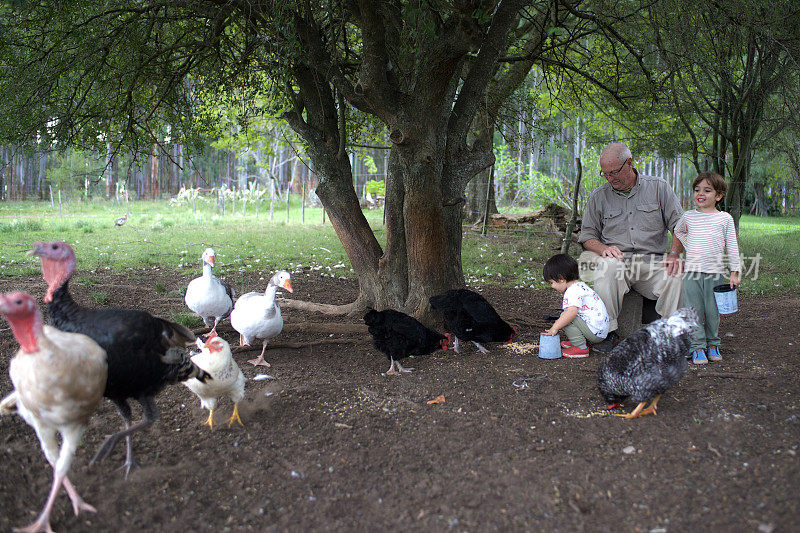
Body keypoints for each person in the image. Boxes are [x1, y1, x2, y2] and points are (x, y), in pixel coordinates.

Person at [578, 142, 685, 352]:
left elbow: (680, 226)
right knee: (606, 267)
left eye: (614, 172)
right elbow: (587, 236)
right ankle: (606, 333)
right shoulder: (599, 196)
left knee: (677, 274)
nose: (610, 179)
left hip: (653, 262)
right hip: (618, 262)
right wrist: (602, 249)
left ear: (629, 163)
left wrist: (674, 254)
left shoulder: (659, 187)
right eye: (605, 174)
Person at [673, 172, 741, 364]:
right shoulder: (688, 217)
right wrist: (690, 245)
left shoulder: (725, 219)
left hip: (715, 274)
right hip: (692, 273)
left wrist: (734, 272)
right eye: (697, 190)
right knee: (694, 311)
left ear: (718, 196)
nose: (700, 194)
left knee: (712, 312)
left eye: (707, 190)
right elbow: (678, 231)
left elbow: (732, 245)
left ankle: (713, 344)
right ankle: (697, 347)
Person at [542, 254, 609, 358]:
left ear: (561, 279)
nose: (552, 286)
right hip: (599, 329)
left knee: (566, 316)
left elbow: (571, 313)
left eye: (551, 282)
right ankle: (577, 342)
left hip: (595, 332)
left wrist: (555, 327)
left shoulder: (572, 291)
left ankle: (580, 347)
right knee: (567, 316)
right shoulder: (580, 286)